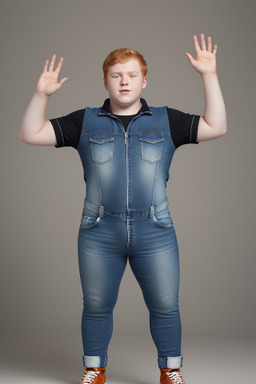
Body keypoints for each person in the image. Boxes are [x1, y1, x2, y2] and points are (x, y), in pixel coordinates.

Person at [19, 33, 227, 384]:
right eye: (116, 75)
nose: (124, 81)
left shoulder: (166, 120)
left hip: (155, 230)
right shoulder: (84, 121)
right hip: (99, 231)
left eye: (132, 75)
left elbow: (217, 126)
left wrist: (209, 75)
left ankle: (170, 371)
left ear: (144, 81)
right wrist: (40, 95)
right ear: (106, 81)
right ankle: (94, 370)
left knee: (165, 305)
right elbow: (30, 133)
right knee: (96, 306)